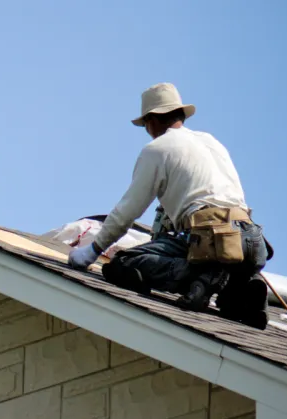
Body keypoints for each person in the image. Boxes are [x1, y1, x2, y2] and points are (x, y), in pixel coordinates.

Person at [67, 82, 270, 328]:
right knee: (229, 301)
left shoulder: (158, 149)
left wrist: (92, 251)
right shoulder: (211, 141)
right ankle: (242, 287)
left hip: (209, 239)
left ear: (152, 120)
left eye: (145, 125)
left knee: (123, 264)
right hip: (249, 240)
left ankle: (200, 277)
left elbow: (128, 211)